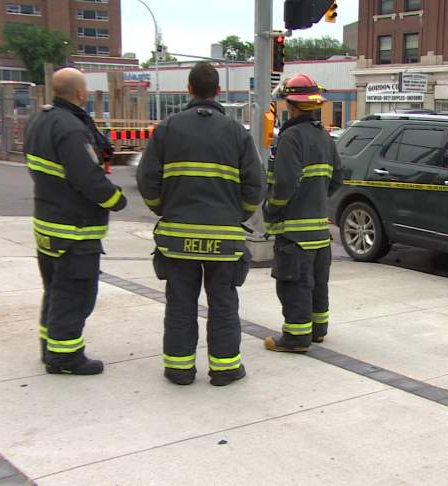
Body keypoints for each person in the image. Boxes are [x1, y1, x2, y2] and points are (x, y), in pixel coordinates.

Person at [137, 63, 263, 386]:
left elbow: (147, 180)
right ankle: (225, 369)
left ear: (189, 89)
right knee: (223, 303)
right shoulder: (237, 133)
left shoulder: (167, 128)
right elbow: (255, 186)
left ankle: (179, 369)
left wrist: (164, 210)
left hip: (177, 239)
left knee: (180, 302)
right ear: (218, 91)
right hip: (224, 240)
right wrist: (238, 216)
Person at [24, 67, 127, 375]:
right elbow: (87, 177)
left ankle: (51, 346)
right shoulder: (71, 128)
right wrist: (115, 199)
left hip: (48, 224)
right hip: (74, 229)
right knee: (75, 294)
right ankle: (65, 356)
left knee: (55, 290)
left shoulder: (40, 120)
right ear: (81, 93)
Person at [263, 74, 343, 353]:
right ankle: (318, 330)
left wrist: (271, 210)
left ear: (292, 105)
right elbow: (337, 180)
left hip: (295, 233)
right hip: (320, 233)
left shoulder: (291, 137)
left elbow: (284, 184)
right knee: (318, 283)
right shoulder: (325, 137)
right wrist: (316, 199)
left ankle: (296, 338)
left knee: (294, 285)